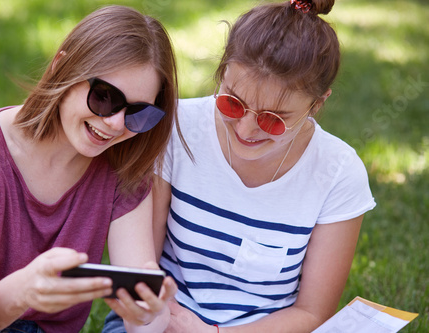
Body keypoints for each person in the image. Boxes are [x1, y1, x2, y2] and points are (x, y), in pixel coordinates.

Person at [103, 0, 376, 332]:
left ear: (317, 104)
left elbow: (310, 313)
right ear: (222, 71)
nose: (246, 130)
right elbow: (145, 264)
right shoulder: (177, 128)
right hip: (164, 318)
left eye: (273, 120)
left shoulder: (338, 173)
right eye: (232, 102)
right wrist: (171, 321)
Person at [0, 5, 179, 333]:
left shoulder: (124, 170)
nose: (116, 123)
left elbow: (141, 293)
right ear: (63, 67)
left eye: (139, 114)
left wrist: (148, 315)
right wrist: (25, 290)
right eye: (104, 97)